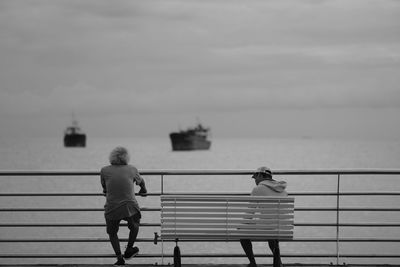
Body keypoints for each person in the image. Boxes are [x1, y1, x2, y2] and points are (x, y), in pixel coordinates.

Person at [100, 146, 147, 266]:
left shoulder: (104, 170)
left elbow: (105, 188)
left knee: (112, 232)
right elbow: (141, 182)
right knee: (135, 224)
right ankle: (129, 249)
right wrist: (143, 189)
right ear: (126, 157)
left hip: (112, 206)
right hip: (129, 206)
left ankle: (119, 257)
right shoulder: (132, 169)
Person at [240, 166, 288, 267]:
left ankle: (253, 264)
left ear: (261, 175)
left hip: (268, 228)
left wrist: (241, 226)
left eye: (255, 177)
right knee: (271, 232)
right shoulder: (283, 190)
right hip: (283, 229)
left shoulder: (258, 189)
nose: (255, 180)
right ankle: (278, 262)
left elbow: (249, 214)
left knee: (243, 236)